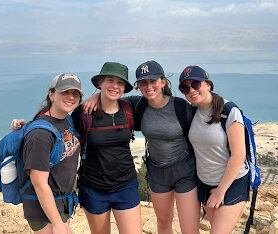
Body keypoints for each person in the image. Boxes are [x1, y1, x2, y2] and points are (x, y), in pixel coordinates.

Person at [83, 61, 200, 234]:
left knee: (190, 229)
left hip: (185, 171)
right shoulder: (139, 105)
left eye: (152, 81)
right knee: (163, 224)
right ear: (138, 86)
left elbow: (203, 126)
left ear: (163, 82)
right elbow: (112, 98)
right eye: (143, 83)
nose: (148, 86)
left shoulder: (180, 107)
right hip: (157, 172)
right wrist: (95, 96)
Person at [71, 62, 142, 234]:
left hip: (126, 185)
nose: (115, 86)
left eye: (120, 83)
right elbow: (57, 126)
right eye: (110, 80)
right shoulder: (83, 113)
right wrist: (25, 127)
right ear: (100, 82)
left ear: (124, 88)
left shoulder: (129, 108)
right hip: (94, 187)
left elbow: (157, 100)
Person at [178, 66, 250, 233]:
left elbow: (239, 155)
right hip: (205, 183)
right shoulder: (193, 111)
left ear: (208, 84)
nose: (191, 90)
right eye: (185, 88)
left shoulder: (228, 111)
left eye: (196, 84)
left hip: (231, 183)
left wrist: (220, 192)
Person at [21, 73, 83, 234]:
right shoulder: (40, 135)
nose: (71, 97)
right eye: (65, 92)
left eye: (75, 93)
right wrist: (57, 223)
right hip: (43, 208)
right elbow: (39, 184)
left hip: (61, 202)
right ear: (51, 94)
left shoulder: (66, 120)